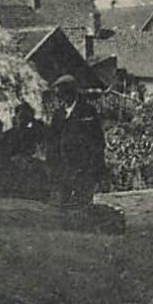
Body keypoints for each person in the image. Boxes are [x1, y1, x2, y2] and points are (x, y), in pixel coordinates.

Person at [46, 75, 105, 218]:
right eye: (58, 94)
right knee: (61, 208)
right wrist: (51, 165)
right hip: (63, 169)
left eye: (61, 94)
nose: (60, 98)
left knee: (82, 207)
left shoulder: (87, 111)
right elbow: (52, 142)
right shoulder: (58, 114)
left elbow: (98, 141)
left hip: (83, 169)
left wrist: (92, 168)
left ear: (71, 93)